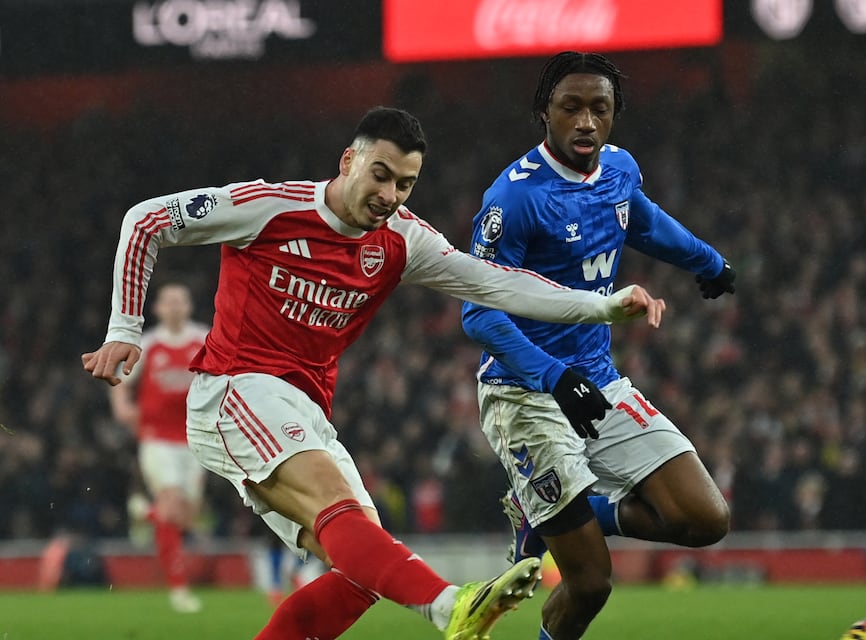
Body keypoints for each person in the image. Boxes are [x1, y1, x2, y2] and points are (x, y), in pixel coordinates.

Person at [82, 106, 666, 640]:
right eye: (380, 175)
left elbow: (496, 282)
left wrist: (602, 306)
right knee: (349, 522)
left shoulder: (403, 239)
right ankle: (450, 606)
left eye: (404, 184)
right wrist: (124, 329)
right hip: (235, 388)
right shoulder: (269, 207)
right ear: (349, 161)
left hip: (306, 408)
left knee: (364, 569)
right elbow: (145, 221)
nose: (390, 195)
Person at [461, 51, 734, 640]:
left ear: (614, 114)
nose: (586, 121)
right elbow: (479, 316)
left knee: (705, 518)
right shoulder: (513, 199)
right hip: (524, 393)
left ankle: (557, 514)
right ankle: (552, 517)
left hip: (598, 380)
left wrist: (708, 262)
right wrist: (555, 377)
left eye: (599, 108)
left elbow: (642, 221)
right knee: (590, 584)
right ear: (545, 111)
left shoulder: (619, 169)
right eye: (571, 107)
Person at [108, 281, 209, 612]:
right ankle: (179, 590)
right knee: (172, 503)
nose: (175, 306)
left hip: (195, 439)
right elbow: (120, 378)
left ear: (189, 306)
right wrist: (122, 406)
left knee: (187, 517)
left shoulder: (204, 340)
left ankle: (144, 512)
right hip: (157, 438)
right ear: (158, 309)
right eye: (169, 301)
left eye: (180, 301)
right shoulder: (149, 344)